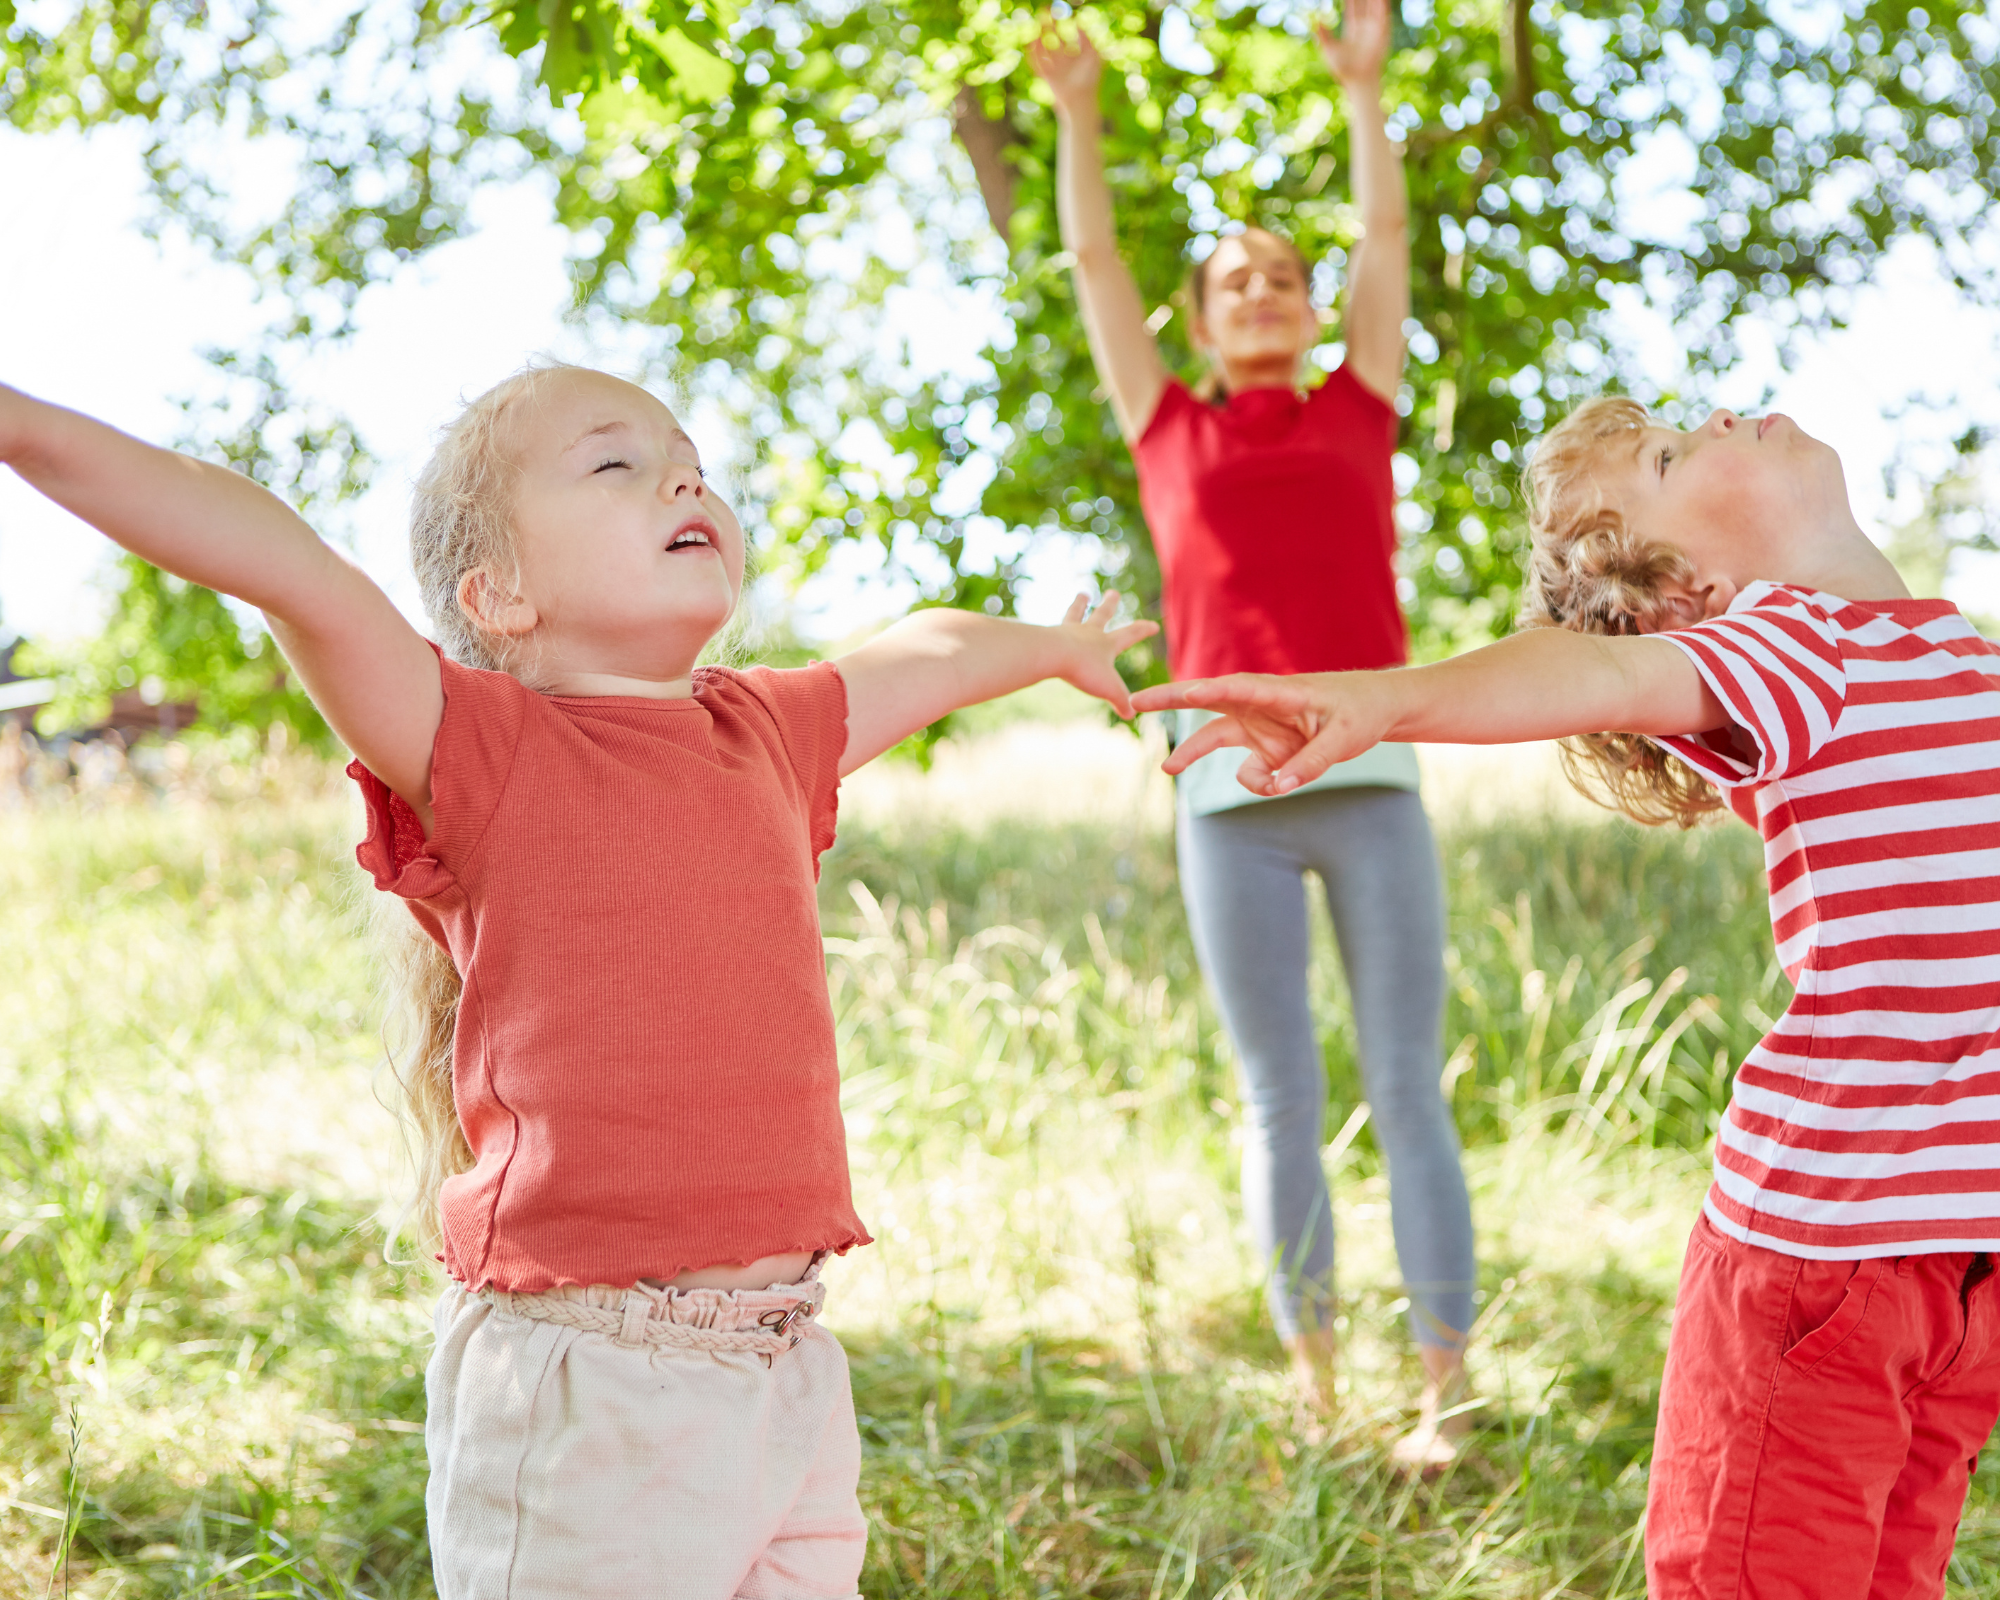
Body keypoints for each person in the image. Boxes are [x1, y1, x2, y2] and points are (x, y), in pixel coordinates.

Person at [0, 363, 1156, 1599]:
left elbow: (929, 646)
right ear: (494, 592)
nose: (682, 475)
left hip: (786, 1373)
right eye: (616, 463)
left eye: (687, 459)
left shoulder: (765, 731)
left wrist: (1054, 647)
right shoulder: (484, 746)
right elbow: (281, 563)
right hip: (589, 1391)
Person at [1134, 395, 2000, 1598]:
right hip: (1824, 1266)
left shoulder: (1952, 654)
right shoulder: (1800, 652)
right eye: (1664, 453)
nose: (1715, 412)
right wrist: (1386, 697)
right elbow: (1593, 671)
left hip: (1956, 1266)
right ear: (1689, 589)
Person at [1029, 0, 1476, 1462]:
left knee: (1408, 1084)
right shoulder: (1168, 429)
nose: (1269, 292)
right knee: (1279, 1093)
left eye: (1287, 276)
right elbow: (1094, 259)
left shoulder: (1361, 409)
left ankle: (1443, 1388)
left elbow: (1387, 248)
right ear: (1204, 323)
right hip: (1222, 790)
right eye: (1239, 281)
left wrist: (1364, 91)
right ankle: (1320, 1383)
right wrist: (1080, 113)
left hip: (1372, 776)